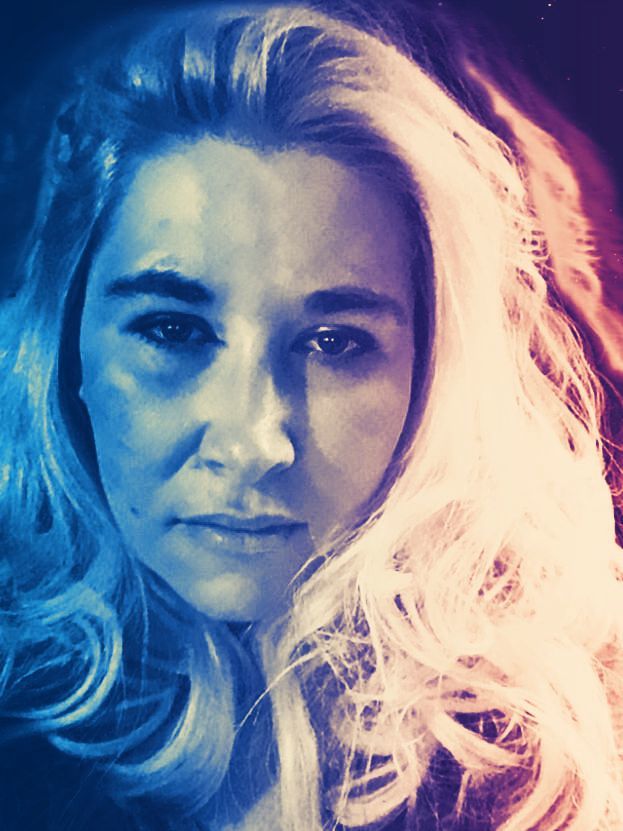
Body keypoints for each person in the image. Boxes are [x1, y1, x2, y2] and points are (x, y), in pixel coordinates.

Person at [1, 1, 622, 829]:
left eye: (334, 343)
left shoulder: (544, 761)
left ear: (431, 372)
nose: (253, 441)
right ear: (66, 350)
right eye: (172, 330)